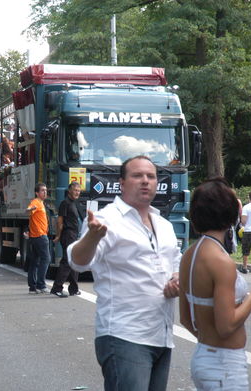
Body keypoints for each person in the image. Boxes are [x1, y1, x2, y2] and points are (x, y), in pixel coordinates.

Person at [68, 156, 181, 391]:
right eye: (137, 176)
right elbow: (77, 262)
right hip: (124, 336)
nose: (145, 181)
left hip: (161, 334)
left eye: (150, 176)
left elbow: (176, 265)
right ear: (122, 182)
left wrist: (177, 279)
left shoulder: (164, 224)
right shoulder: (106, 220)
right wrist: (91, 237)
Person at [179, 178, 251, 390]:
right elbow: (226, 326)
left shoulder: (189, 255)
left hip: (204, 355)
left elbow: (186, 319)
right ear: (229, 213)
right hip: (225, 365)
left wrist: (209, 344)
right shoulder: (221, 261)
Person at [50, 181, 82, 298]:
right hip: (67, 234)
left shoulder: (74, 203)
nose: (77, 193)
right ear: (69, 191)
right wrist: (58, 235)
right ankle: (57, 288)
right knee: (67, 261)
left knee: (74, 261)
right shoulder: (65, 203)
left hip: (73, 235)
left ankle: (73, 289)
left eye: (79, 191)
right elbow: (60, 221)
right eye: (75, 190)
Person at [27, 183, 51, 294]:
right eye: (42, 190)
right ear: (37, 193)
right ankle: (41, 285)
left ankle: (32, 287)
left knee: (35, 261)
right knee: (46, 259)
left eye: (45, 190)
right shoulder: (36, 202)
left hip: (35, 236)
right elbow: (29, 210)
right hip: (40, 236)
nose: (45, 192)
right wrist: (31, 209)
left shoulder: (41, 203)